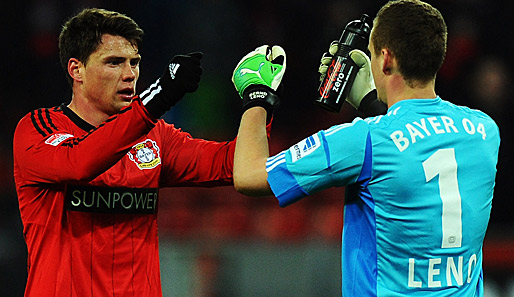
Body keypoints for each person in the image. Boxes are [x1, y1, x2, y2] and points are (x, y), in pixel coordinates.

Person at [232, 0, 500, 296]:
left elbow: (248, 175)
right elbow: (414, 148)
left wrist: (256, 96)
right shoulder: (484, 131)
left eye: (372, 54)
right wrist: (371, 101)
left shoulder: (362, 140)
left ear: (385, 59)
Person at [12, 8, 281, 297]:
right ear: (76, 69)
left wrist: (258, 99)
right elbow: (77, 163)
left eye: (135, 63)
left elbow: (233, 165)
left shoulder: (154, 137)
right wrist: (157, 98)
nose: (130, 74)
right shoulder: (37, 129)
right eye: (114, 63)